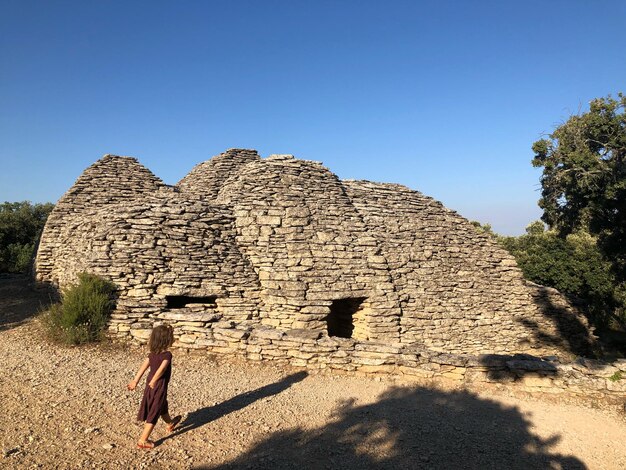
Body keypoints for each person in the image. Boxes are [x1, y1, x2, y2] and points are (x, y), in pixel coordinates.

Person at [127, 324, 181, 449]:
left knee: (162, 405)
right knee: (155, 409)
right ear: (167, 340)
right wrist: (155, 380)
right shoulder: (167, 355)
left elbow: (144, 366)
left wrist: (135, 381)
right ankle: (143, 440)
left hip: (150, 383)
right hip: (158, 384)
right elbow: (162, 370)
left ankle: (170, 423)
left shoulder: (152, 354)